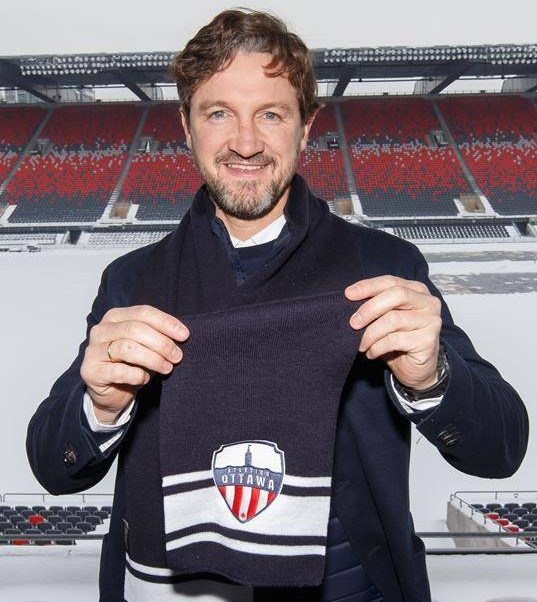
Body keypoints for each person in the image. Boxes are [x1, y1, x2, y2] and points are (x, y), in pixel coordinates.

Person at [27, 9, 528, 602]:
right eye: (219, 113)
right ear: (185, 128)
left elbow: (501, 449)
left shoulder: (383, 270)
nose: (245, 142)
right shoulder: (133, 281)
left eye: (271, 113)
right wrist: (100, 405)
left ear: (306, 126)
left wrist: (431, 377)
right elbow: (54, 466)